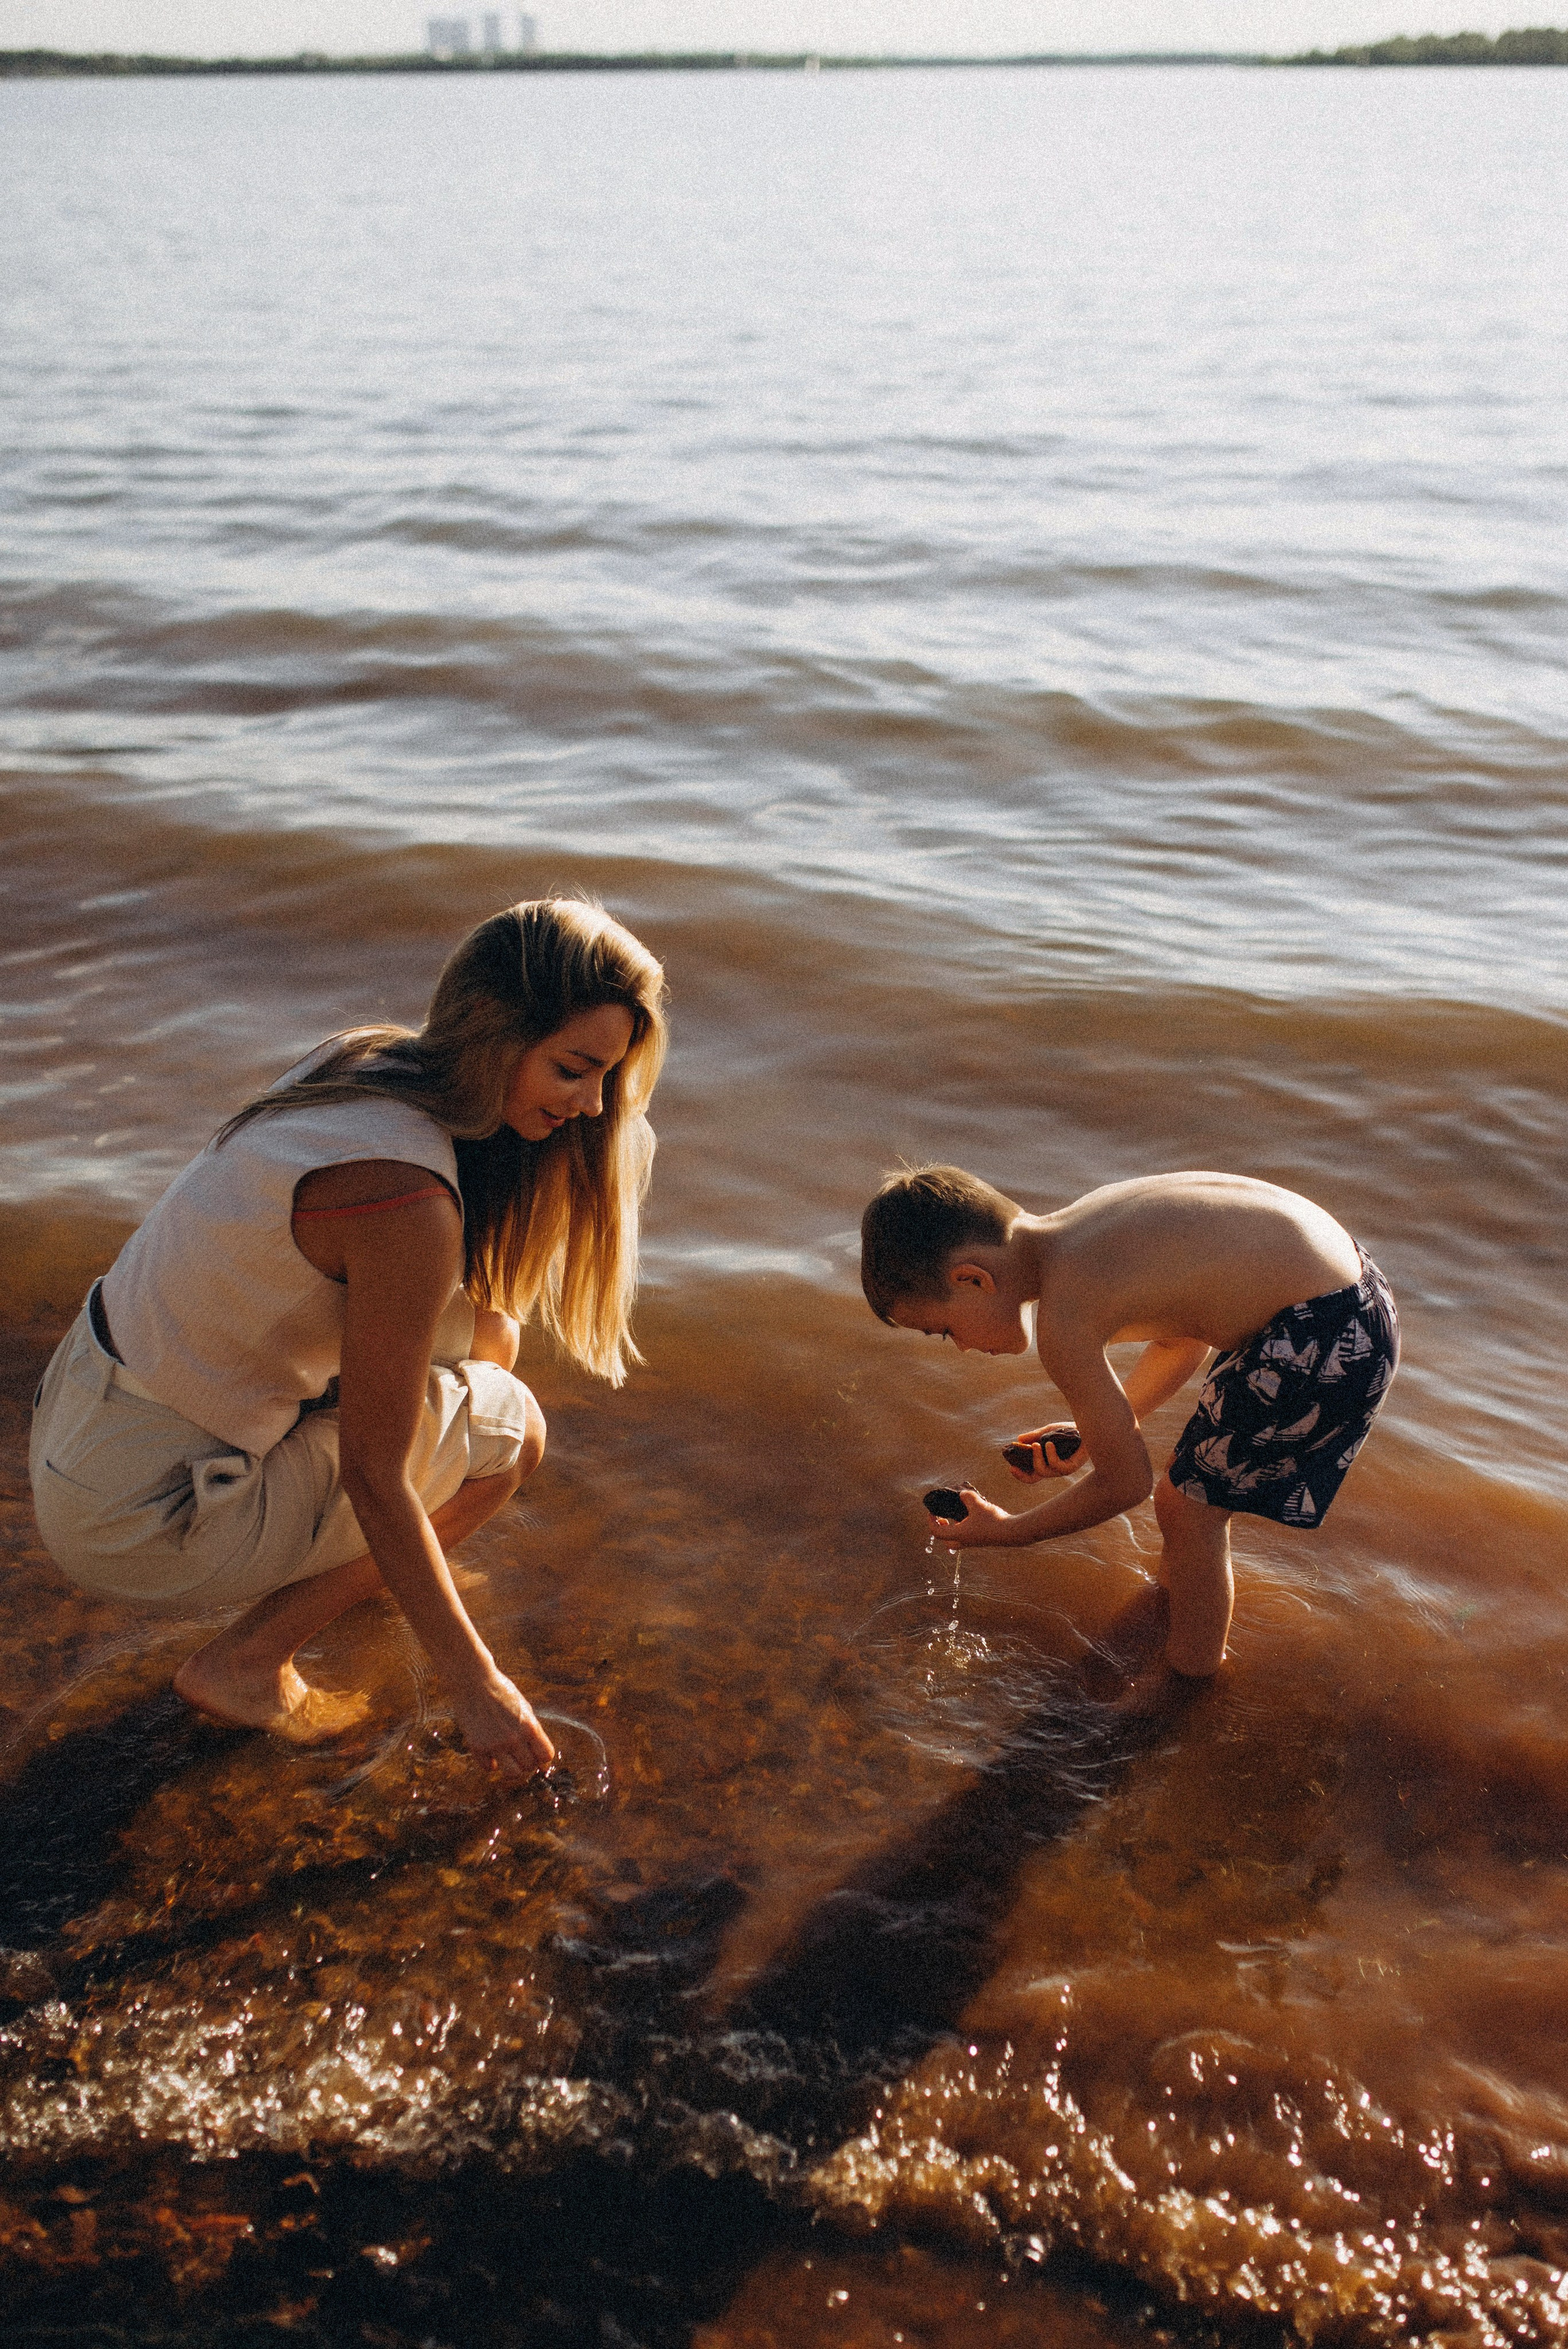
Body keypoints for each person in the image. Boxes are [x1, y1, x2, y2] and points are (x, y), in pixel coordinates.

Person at [30, 897, 667, 1776]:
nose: (594, 1106)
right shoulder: (406, 1200)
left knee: (489, 1336)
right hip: (140, 1509)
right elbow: (375, 1470)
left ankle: (370, 1577)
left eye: (608, 1077)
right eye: (572, 1069)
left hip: (83, 1421)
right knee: (512, 1429)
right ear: (495, 1033)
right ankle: (247, 1664)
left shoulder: (365, 1060)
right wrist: (477, 1684)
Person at [860, 1166, 1398, 1687]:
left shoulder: (1064, 1320)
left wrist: (1007, 1531)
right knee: (1188, 1491)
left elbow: (1126, 1485)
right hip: (1352, 1292)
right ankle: (1174, 1602)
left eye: (944, 1329)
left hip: (1323, 1333)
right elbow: (1183, 1335)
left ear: (972, 1278)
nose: (960, 1346)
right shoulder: (1083, 1232)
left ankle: (1190, 1677)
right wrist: (1103, 1430)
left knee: (1190, 1511)